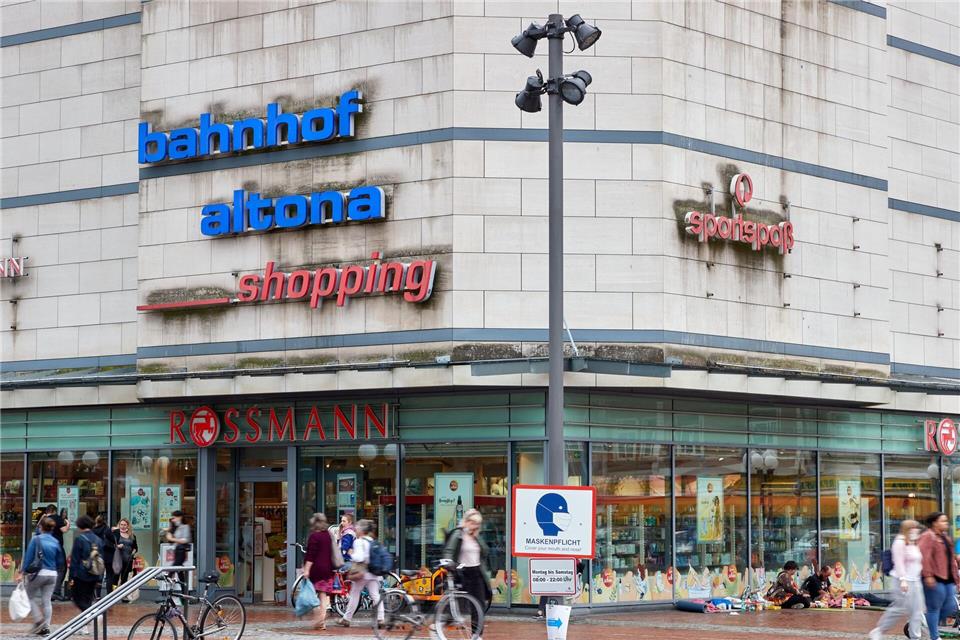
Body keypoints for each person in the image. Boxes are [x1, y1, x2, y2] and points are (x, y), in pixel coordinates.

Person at [870, 519, 924, 640]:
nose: (916, 530)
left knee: (917, 611)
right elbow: (898, 562)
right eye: (913, 528)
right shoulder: (899, 542)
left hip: (915, 581)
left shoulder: (913, 543)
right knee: (899, 608)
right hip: (903, 581)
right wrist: (903, 579)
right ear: (907, 529)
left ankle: (915, 636)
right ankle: (879, 630)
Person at [443, 509, 492, 638]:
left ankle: (476, 635)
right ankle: (440, 625)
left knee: (478, 606)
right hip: (462, 573)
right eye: (473, 522)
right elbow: (449, 550)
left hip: (477, 573)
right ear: (467, 521)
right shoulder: (458, 534)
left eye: (477, 523)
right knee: (455, 606)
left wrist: (476, 537)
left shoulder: (476, 536)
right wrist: (449, 563)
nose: (475, 525)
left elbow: (485, 551)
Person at [20, 516, 66, 636]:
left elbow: (29, 557)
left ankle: (39, 620)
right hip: (52, 574)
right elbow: (60, 560)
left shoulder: (36, 539)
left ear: (40, 527)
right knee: (47, 601)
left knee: (29, 596)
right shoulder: (55, 541)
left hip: (39, 573)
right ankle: (46, 627)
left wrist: (23, 571)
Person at [919, 511, 960, 640]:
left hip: (948, 578)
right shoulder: (927, 536)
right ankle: (934, 636)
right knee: (934, 607)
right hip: (934, 578)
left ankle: (924, 622)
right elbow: (923, 557)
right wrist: (928, 575)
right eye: (943, 521)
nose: (946, 523)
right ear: (934, 523)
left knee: (951, 606)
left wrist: (957, 580)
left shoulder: (945, 537)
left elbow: (951, 559)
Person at [337, 519, 383, 628]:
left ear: (361, 530)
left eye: (357, 528)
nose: (355, 529)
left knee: (354, 595)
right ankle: (381, 619)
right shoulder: (372, 541)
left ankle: (346, 619)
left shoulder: (358, 541)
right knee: (376, 596)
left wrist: (351, 553)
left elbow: (359, 557)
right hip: (373, 572)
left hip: (362, 573)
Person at [70, 515, 104, 635]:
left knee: (77, 598)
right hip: (94, 574)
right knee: (88, 599)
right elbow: (101, 560)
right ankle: (84, 627)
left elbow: (75, 560)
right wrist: (100, 577)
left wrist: (71, 577)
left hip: (81, 574)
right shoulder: (98, 540)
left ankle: (94, 615)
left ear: (80, 525)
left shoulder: (80, 539)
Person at [302, 513, 337, 630]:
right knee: (323, 595)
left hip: (316, 570)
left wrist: (306, 569)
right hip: (328, 569)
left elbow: (310, 555)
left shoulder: (314, 536)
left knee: (313, 595)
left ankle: (319, 620)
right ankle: (322, 621)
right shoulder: (328, 535)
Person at [37, 505, 69, 601]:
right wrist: (68, 523)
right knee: (62, 569)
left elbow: (38, 529)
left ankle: (49, 592)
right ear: (54, 511)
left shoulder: (45, 520)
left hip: (45, 547)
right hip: (56, 547)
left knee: (50, 568)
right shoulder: (57, 518)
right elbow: (64, 530)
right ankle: (56, 592)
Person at [106, 518, 138, 600]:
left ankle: (123, 595)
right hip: (118, 559)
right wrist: (117, 546)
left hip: (128, 560)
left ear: (128, 526)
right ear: (119, 525)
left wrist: (133, 552)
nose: (123, 526)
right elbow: (109, 542)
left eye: (125, 525)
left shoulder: (132, 536)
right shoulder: (116, 535)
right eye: (121, 524)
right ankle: (114, 594)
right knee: (115, 577)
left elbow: (135, 547)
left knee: (125, 578)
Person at [165, 511, 191, 588]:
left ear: (180, 517)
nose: (173, 520)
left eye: (174, 518)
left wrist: (172, 539)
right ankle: (184, 591)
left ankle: (169, 577)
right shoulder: (175, 527)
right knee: (179, 572)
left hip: (181, 551)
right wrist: (168, 532)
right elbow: (167, 537)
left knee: (174, 567)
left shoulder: (185, 526)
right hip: (177, 550)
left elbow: (185, 540)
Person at [91, 516, 110, 599]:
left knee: (95, 573)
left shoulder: (92, 530)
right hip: (105, 554)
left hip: (95, 553)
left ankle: (95, 594)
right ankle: (103, 594)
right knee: (104, 575)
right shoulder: (106, 529)